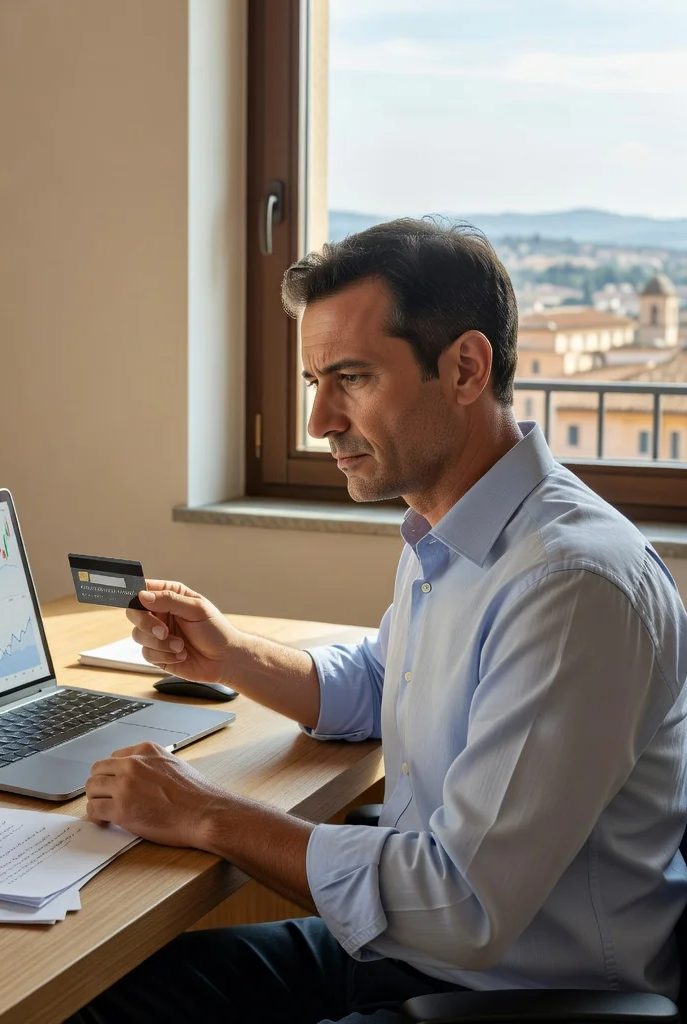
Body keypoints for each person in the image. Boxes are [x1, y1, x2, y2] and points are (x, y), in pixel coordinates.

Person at [67, 219, 687, 1024]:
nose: (319, 420)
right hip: (413, 957)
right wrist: (229, 656)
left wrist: (204, 812)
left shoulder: (571, 585)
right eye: (312, 381)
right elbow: (375, 686)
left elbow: (460, 905)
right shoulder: (454, 526)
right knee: (104, 999)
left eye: (351, 378)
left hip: (516, 995)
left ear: (465, 368)